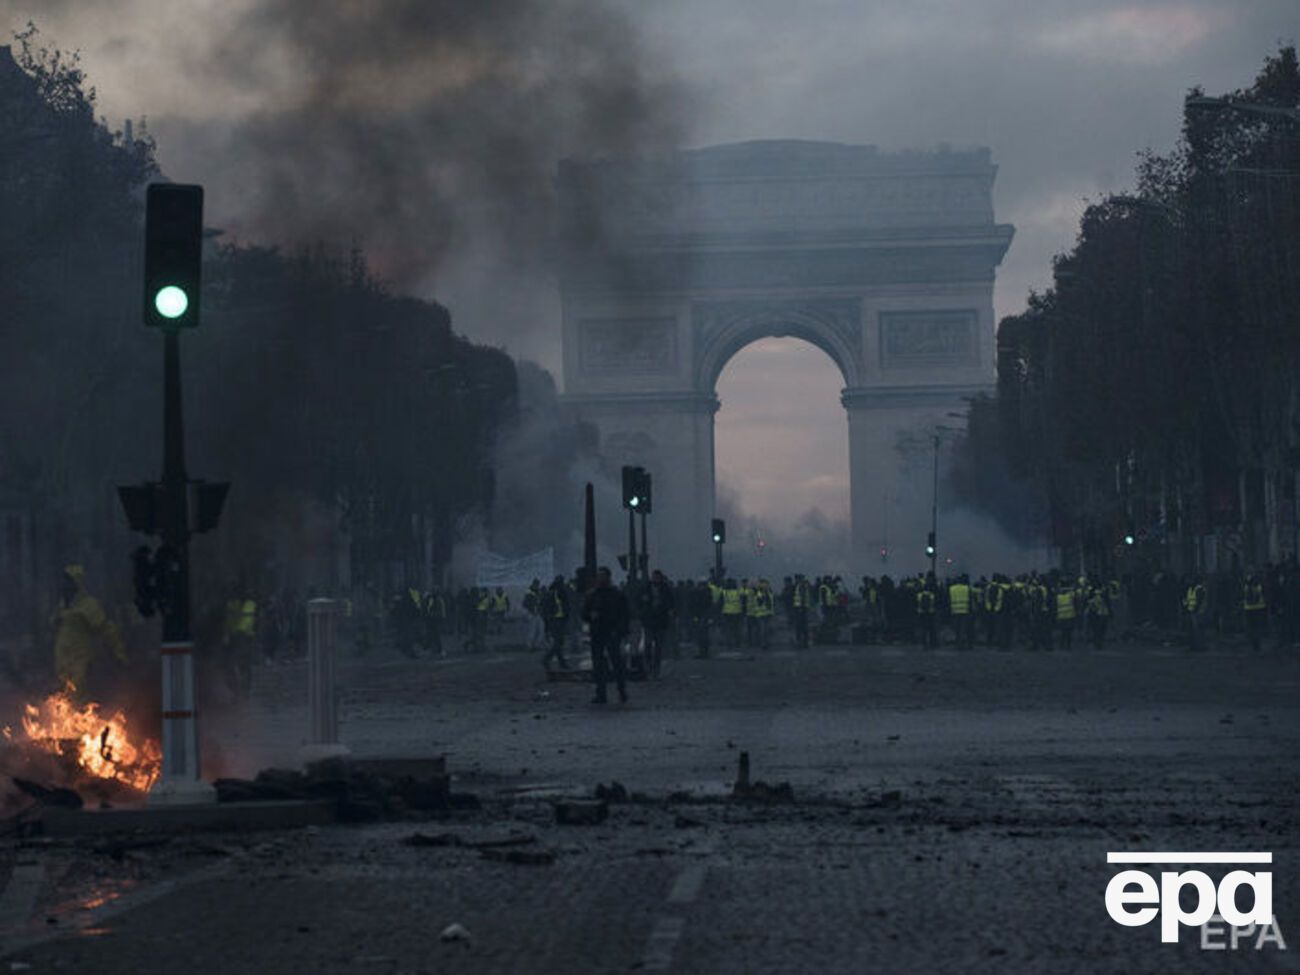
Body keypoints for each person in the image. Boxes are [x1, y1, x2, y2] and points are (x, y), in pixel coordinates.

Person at [52, 564, 127, 698]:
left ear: (76, 583)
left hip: (81, 661)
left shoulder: (89, 605)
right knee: (63, 698)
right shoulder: (63, 605)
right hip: (62, 661)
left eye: (68, 582)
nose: (63, 586)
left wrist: (119, 653)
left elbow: (107, 629)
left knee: (77, 696)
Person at [582, 567, 629, 704]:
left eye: (603, 576)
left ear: (608, 577)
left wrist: (620, 631)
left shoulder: (616, 594)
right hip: (597, 632)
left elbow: (624, 614)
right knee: (598, 664)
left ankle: (621, 690)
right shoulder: (592, 595)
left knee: (616, 663)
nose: (600, 579)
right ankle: (601, 693)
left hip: (612, 632)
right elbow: (584, 613)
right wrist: (590, 616)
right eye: (599, 576)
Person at [640, 569, 675, 678]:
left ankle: (655, 669)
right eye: (654, 577)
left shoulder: (666, 589)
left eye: (657, 577)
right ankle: (649, 667)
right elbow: (638, 601)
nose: (655, 579)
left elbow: (671, 603)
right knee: (648, 645)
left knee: (658, 647)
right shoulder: (645, 588)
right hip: (649, 621)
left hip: (660, 621)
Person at [1242, 571, 1267, 652]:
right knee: (1257, 627)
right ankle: (1257, 644)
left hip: (1248, 608)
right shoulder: (1259, 586)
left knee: (1251, 627)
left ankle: (1253, 643)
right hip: (1259, 608)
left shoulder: (1245, 587)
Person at [791, 575, 811, 649]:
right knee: (803, 626)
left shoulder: (801, 586)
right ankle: (804, 642)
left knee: (800, 626)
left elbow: (802, 597)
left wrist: (801, 607)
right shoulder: (803, 586)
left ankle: (801, 642)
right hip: (802, 608)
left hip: (801, 608)